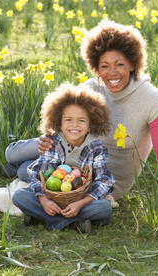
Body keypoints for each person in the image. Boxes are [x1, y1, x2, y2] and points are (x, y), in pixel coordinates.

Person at [6, 19, 158, 221]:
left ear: (132, 63)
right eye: (104, 66)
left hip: (105, 175)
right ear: (96, 66)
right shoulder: (91, 87)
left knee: (27, 170)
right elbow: (69, 122)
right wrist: (49, 136)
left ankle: (19, 172)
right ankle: (15, 167)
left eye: (119, 64)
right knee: (12, 153)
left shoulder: (153, 100)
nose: (112, 73)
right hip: (72, 156)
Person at [12, 83, 115, 233]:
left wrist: (80, 204)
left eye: (81, 120)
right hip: (52, 198)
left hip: (80, 200)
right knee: (19, 196)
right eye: (68, 119)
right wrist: (44, 200)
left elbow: (104, 181)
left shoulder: (97, 148)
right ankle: (72, 223)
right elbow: (36, 173)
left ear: (90, 124)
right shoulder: (53, 142)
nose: (75, 125)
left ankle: (43, 218)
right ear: (59, 121)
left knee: (104, 208)